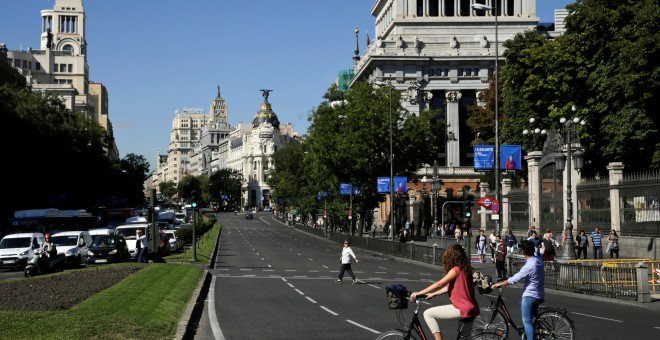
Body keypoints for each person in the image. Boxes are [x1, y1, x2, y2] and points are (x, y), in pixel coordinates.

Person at [410, 244, 480, 340]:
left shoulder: (455, 270)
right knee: (465, 338)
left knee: (428, 314)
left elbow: (439, 284)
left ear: (451, 257)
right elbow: (448, 287)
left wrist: (419, 293)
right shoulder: (465, 270)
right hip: (472, 308)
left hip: (462, 308)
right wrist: (433, 294)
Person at [492, 240, 544, 340]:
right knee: (533, 319)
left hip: (530, 296)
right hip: (539, 294)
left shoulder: (529, 265)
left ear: (523, 252)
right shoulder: (538, 260)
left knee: (527, 322)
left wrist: (499, 284)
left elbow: (514, 279)